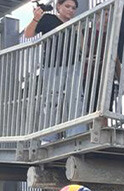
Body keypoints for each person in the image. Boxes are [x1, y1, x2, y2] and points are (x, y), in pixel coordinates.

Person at [23, 0, 85, 142]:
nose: (70, 10)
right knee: (52, 101)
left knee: (75, 99)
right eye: (67, 6)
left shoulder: (75, 23)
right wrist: (36, 18)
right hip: (52, 65)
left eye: (73, 8)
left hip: (72, 64)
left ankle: (76, 135)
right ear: (58, 7)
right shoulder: (48, 19)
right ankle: (49, 137)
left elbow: (82, 48)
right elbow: (28, 34)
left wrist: (79, 30)